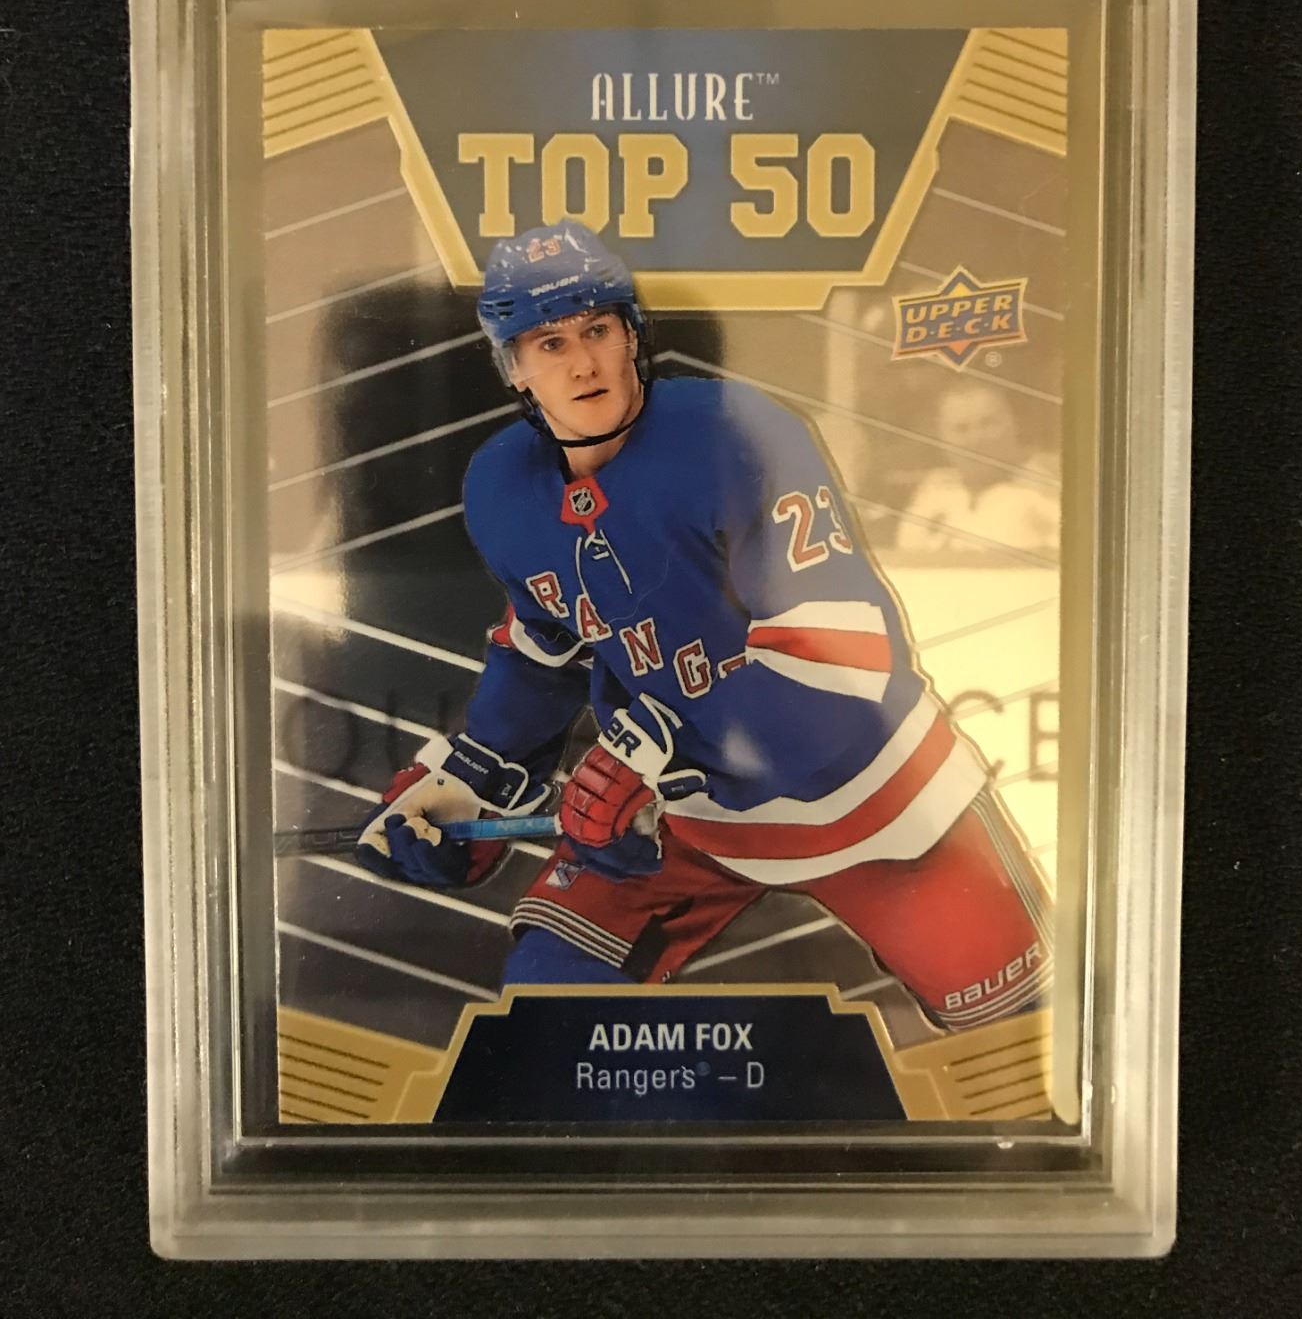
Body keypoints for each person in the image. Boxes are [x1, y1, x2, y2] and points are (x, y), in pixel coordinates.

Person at [357, 224, 1050, 1032]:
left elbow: (836, 661)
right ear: (513, 367)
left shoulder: (735, 434)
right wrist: (472, 776)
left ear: (632, 336)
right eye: (549, 343)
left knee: (1022, 1036)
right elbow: (547, 647)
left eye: (596, 330)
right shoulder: (503, 487)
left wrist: (646, 753)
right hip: (687, 816)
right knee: (550, 1007)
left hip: (874, 794)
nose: (581, 364)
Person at [898, 381, 1060, 560]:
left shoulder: (1048, 494)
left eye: (988, 424)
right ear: (943, 439)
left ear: (1013, 425)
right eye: (961, 429)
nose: (976, 439)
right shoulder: (931, 496)